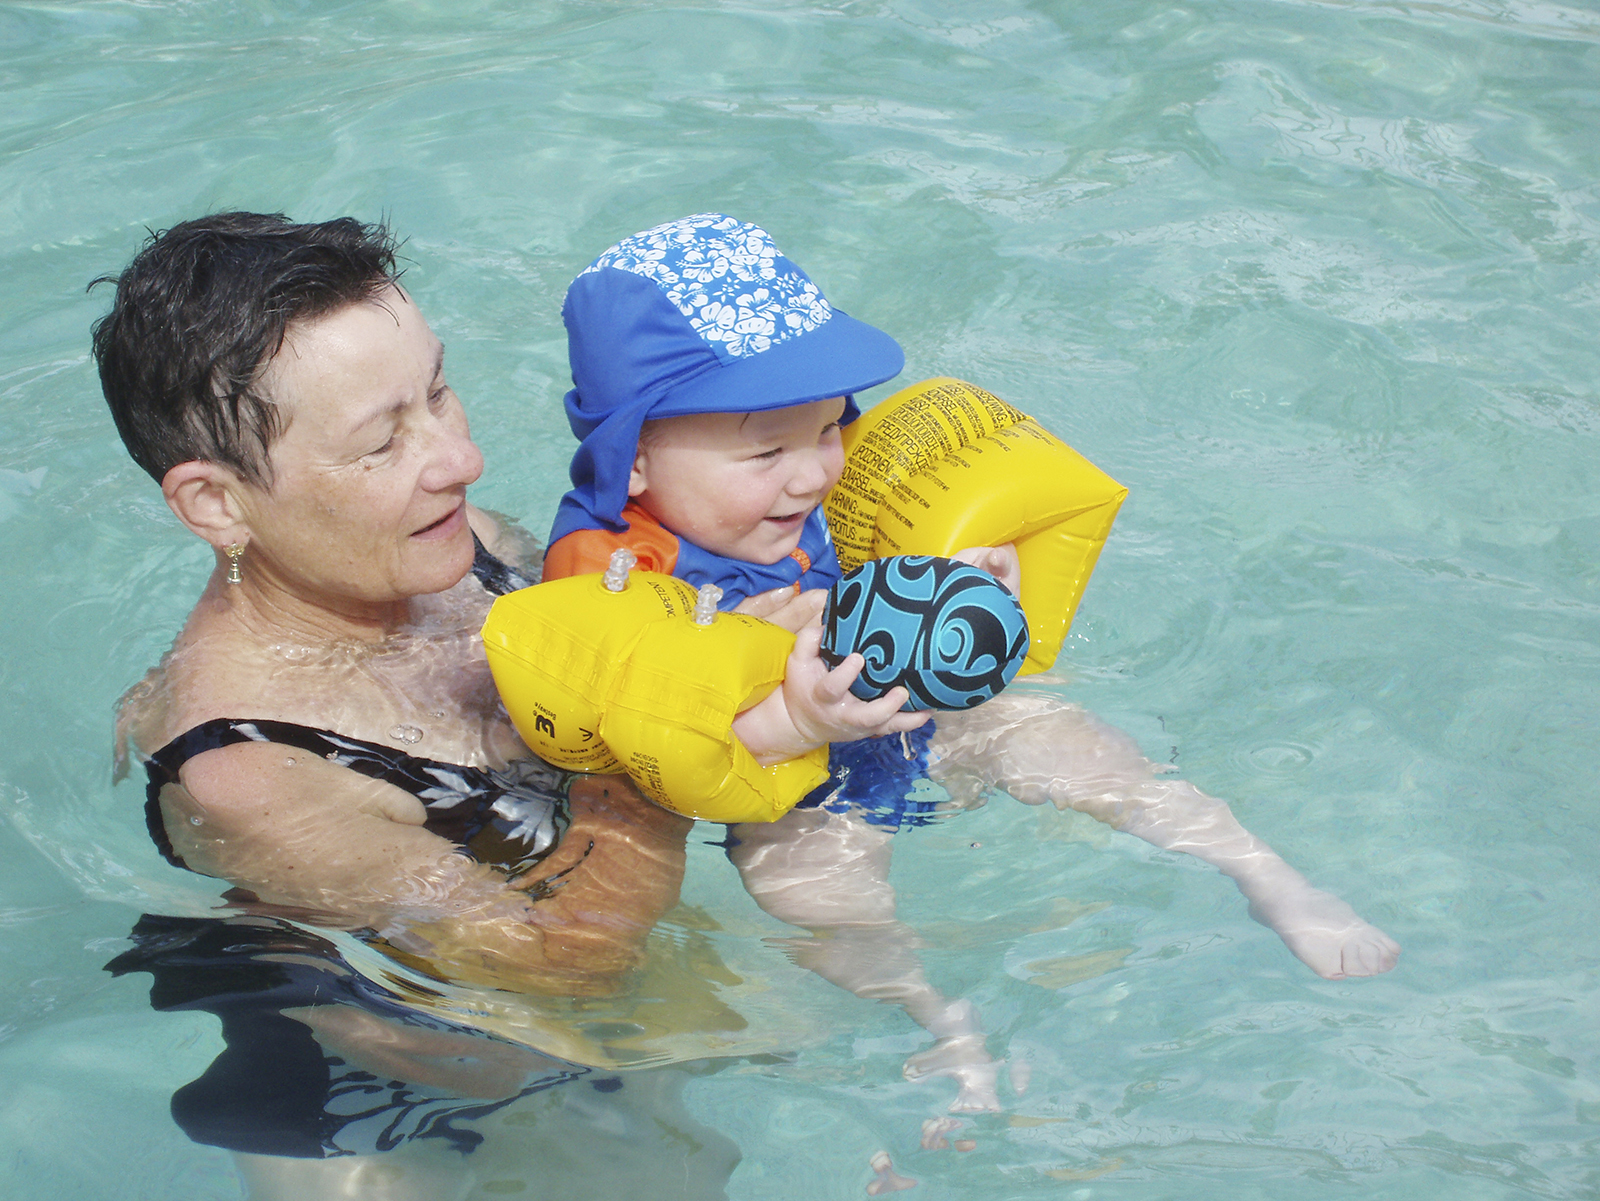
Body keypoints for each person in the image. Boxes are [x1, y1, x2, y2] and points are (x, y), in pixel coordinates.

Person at [540, 213, 1401, 1112]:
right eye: (768, 451)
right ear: (632, 458)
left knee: (1051, 729)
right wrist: (790, 715)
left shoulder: (795, 504)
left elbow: (876, 585)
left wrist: (962, 590)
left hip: (909, 716)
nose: (811, 477)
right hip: (786, 782)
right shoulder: (607, 574)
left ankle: (1264, 872)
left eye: (828, 430)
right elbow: (660, 734)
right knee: (812, 888)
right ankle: (937, 1017)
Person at [92, 212, 739, 1193]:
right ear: (217, 503)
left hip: (574, 1018)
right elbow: (557, 965)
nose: (457, 458)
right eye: (380, 442)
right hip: (390, 1099)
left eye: (437, 391)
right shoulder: (252, 769)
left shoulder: (451, 536)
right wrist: (671, 728)